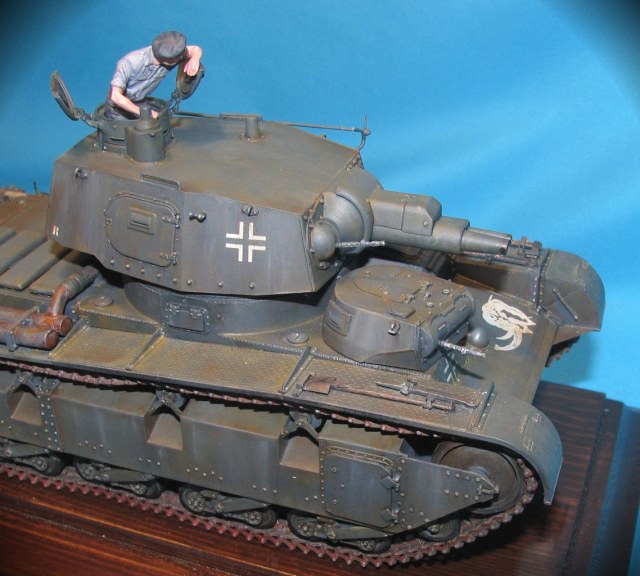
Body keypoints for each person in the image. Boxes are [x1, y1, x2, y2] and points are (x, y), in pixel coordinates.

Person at [104, 31, 203, 120]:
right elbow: (115, 96)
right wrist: (145, 113)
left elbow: (195, 49)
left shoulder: (174, 54)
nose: (182, 57)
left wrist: (194, 59)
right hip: (118, 108)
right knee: (135, 130)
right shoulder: (129, 63)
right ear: (168, 61)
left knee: (158, 122)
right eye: (179, 57)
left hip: (140, 101)